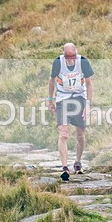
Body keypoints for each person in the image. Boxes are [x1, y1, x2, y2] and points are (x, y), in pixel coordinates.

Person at [48, 43, 94, 181]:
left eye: (73, 57)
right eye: (68, 57)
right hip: (63, 99)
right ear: (63, 54)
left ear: (76, 53)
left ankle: (78, 162)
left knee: (80, 135)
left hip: (80, 98)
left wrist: (88, 104)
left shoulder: (83, 62)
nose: (71, 60)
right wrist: (50, 100)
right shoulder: (57, 62)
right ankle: (64, 167)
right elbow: (51, 81)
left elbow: (89, 83)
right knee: (63, 133)